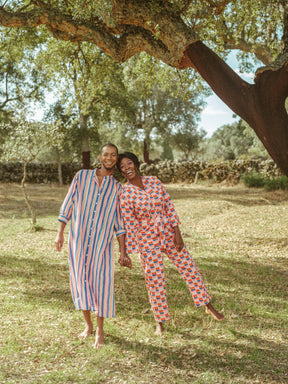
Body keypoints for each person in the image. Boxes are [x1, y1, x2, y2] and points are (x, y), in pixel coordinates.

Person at [117, 152, 224, 336]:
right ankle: (160, 321)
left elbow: (168, 206)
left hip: (167, 231)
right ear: (121, 172)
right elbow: (128, 222)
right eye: (122, 167)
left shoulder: (154, 181)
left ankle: (208, 306)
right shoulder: (125, 193)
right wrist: (128, 250)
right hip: (147, 238)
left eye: (129, 163)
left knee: (189, 267)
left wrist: (177, 232)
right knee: (155, 279)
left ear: (135, 164)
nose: (127, 168)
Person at [55, 143, 132, 348]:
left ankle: (100, 331)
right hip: (78, 242)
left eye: (113, 155)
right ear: (100, 156)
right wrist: (60, 232)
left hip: (102, 246)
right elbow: (68, 203)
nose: (109, 158)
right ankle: (88, 325)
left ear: (116, 159)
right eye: (106, 154)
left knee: (102, 286)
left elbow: (119, 222)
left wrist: (123, 251)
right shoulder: (81, 176)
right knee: (80, 281)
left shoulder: (117, 188)